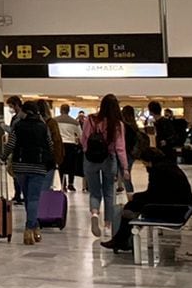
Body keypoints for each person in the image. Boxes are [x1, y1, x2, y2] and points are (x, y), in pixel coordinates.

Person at [104, 140, 192, 257]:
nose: (144, 166)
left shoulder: (158, 170)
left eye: (144, 163)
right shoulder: (168, 166)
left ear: (149, 161)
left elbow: (154, 194)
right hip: (181, 205)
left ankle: (121, 240)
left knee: (131, 206)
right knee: (135, 204)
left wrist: (135, 196)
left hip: (173, 209)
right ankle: (121, 240)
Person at [8, 98, 55, 245]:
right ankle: (30, 229)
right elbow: (50, 145)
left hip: (21, 166)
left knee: (28, 198)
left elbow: (11, 144)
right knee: (34, 199)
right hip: (38, 166)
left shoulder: (18, 125)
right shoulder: (42, 126)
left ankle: (35, 227)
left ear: (24, 111)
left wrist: (3, 156)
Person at [80, 93, 126, 241]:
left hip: (91, 160)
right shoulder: (117, 124)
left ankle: (94, 213)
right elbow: (120, 148)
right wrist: (125, 168)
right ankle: (107, 225)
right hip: (109, 159)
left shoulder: (91, 119)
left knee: (94, 191)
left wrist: (88, 151)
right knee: (109, 193)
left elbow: (84, 139)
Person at [56, 104, 82, 191]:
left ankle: (62, 183)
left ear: (60, 110)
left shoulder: (55, 120)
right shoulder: (74, 122)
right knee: (71, 165)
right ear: (69, 110)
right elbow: (80, 135)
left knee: (60, 164)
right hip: (71, 145)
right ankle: (71, 183)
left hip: (59, 145)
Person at [121, 104, 144, 187]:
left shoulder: (124, 126)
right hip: (132, 153)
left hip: (126, 152)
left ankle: (130, 195)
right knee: (127, 175)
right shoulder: (134, 126)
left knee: (125, 176)